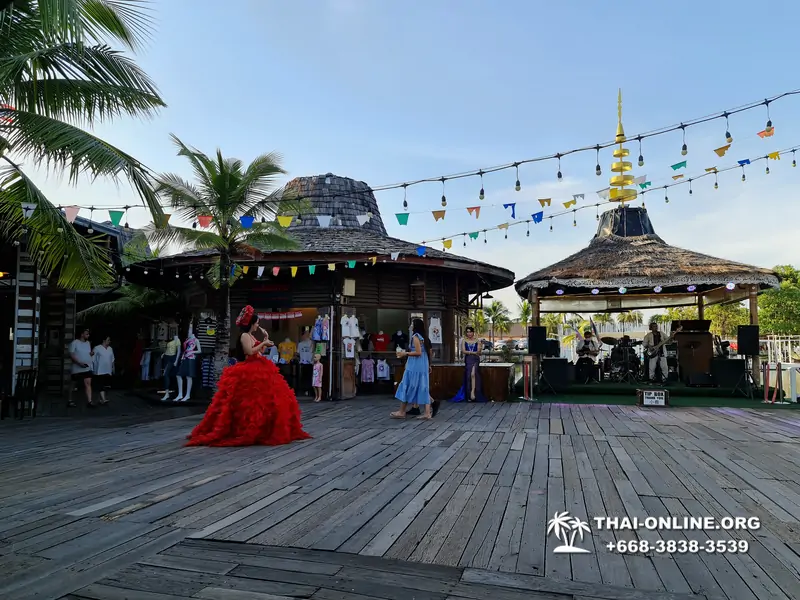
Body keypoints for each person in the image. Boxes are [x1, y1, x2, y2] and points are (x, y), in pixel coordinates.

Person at [186, 305, 311, 447]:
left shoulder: (251, 335)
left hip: (259, 365)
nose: (258, 325)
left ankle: (263, 428)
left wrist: (265, 340)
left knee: (266, 399)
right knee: (250, 402)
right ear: (251, 323)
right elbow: (249, 352)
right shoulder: (244, 335)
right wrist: (263, 342)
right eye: (256, 322)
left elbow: (259, 351)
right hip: (249, 368)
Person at [391, 319, 432, 420]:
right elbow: (428, 351)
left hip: (415, 364)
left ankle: (401, 411)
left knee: (408, 384)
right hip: (423, 363)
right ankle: (427, 413)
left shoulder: (415, 337)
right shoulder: (424, 337)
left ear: (415, 326)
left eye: (412, 324)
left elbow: (418, 352)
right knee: (423, 386)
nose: (410, 326)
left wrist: (405, 353)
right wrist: (429, 364)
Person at [451, 326, 487, 402]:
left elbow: (479, 352)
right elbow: (464, 351)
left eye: (470, 332)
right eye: (467, 332)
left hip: (476, 359)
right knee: (468, 376)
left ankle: (473, 392)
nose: (469, 333)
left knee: (473, 374)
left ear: (473, 332)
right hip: (468, 359)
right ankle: (469, 395)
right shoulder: (464, 340)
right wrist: (473, 352)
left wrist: (480, 348)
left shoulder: (477, 340)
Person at [69, 329, 94, 408]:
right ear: (82, 334)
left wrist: (91, 354)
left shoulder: (88, 343)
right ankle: (70, 400)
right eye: (86, 334)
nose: (88, 335)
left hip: (87, 367)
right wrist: (79, 363)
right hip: (77, 368)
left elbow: (87, 353)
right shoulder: (75, 343)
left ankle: (90, 401)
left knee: (88, 383)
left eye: (88, 334)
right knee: (73, 384)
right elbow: (71, 354)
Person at [92, 335, 115, 405]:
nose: (109, 341)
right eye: (108, 340)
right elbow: (93, 359)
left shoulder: (110, 349)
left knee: (106, 385)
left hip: (108, 370)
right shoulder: (97, 348)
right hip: (100, 370)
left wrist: (113, 367)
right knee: (101, 384)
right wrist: (92, 368)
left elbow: (112, 359)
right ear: (104, 340)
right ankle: (103, 399)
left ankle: (101, 399)